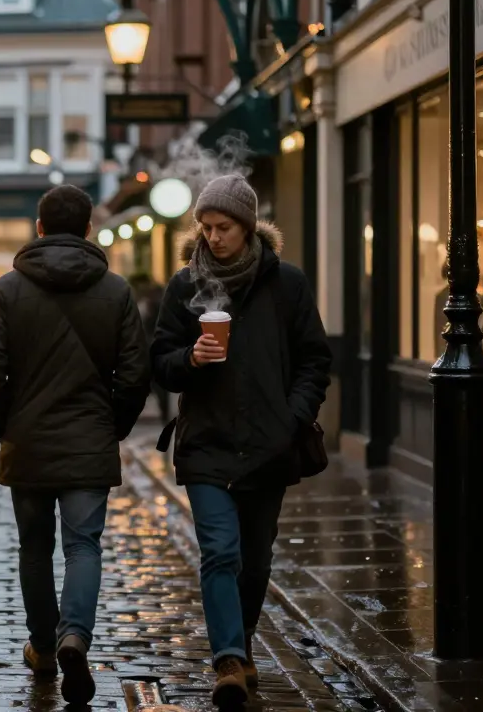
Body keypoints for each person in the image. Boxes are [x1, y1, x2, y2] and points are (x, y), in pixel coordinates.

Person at [150, 175, 331, 709]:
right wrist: (190, 359)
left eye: (222, 227)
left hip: (268, 446)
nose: (212, 237)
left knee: (255, 563)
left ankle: (242, 644)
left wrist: (291, 420)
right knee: (220, 552)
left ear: (248, 226)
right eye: (205, 227)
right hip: (206, 444)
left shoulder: (287, 284)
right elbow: (159, 361)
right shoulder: (185, 286)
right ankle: (228, 658)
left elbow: (315, 360)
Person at [0, 185, 150, 704]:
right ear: (89, 228)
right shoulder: (114, 291)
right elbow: (136, 374)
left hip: (27, 442)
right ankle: (76, 636)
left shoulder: (6, 290)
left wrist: (3, 422)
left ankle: (44, 647)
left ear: (39, 227)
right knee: (83, 545)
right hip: (89, 439)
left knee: (34, 547)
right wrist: (111, 425)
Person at [129, 272, 170, 424]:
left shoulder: (153, 298)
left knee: (156, 384)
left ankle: (164, 414)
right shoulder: (141, 297)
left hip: (152, 345)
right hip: (148, 346)